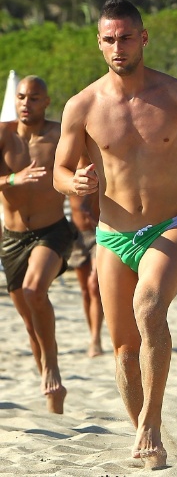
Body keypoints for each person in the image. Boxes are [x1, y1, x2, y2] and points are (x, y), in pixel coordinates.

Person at [53, 0, 177, 469]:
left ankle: (151, 422)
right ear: (98, 43)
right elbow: (59, 171)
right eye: (109, 39)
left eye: (126, 37)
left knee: (149, 306)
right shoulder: (82, 105)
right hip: (113, 234)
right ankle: (146, 439)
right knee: (126, 352)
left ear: (143, 38)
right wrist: (76, 183)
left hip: (168, 228)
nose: (118, 47)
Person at [0, 75, 73, 414]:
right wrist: (13, 178)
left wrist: (86, 198)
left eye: (34, 98)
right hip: (12, 239)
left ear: (46, 102)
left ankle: (52, 366)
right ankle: (53, 396)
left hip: (51, 231)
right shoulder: (3, 135)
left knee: (34, 291)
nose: (26, 103)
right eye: (21, 97)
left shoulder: (60, 134)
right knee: (31, 322)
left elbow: (93, 163)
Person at [67, 154, 104, 358]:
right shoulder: (67, 166)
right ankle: (92, 333)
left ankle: (95, 339)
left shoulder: (100, 163)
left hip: (100, 232)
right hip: (77, 234)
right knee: (84, 289)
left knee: (94, 286)